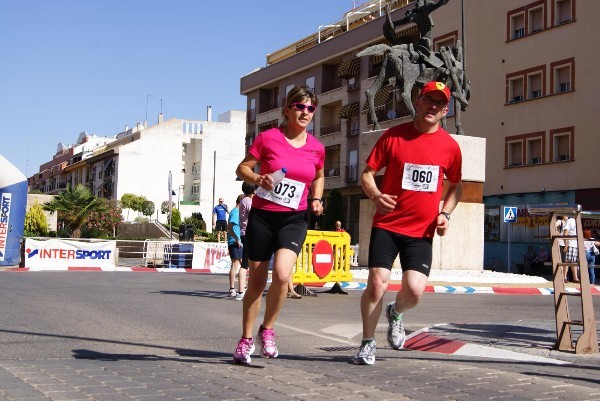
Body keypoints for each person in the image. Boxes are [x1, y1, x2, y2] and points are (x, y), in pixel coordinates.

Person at [354, 81, 462, 365]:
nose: (433, 106)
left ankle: (396, 312)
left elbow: (456, 186)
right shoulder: (393, 136)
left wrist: (446, 213)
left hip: (421, 231)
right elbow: (367, 174)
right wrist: (376, 195)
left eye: (439, 103)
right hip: (387, 225)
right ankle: (367, 342)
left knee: (414, 291)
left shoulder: (450, 147)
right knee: (377, 283)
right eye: (429, 100)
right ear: (417, 101)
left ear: (445, 110)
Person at [233, 86, 325, 364]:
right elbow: (242, 168)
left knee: (283, 275)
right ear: (287, 109)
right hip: (263, 217)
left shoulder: (317, 147)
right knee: (256, 283)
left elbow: (319, 176)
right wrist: (258, 178)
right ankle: (246, 339)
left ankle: (267, 330)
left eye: (310, 108)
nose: (305, 112)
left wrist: (317, 198)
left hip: (294, 218)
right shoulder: (268, 138)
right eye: (300, 106)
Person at [236, 182, 256, 301]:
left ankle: (243, 290)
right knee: (246, 263)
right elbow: (255, 214)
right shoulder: (248, 201)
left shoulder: (243, 200)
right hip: (248, 233)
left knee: (248, 261)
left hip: (245, 232)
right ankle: (241, 291)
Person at [227, 194, 244, 297]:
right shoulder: (235, 212)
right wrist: (237, 239)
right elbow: (229, 227)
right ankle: (232, 288)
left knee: (241, 264)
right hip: (235, 241)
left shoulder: (238, 212)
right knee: (235, 264)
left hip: (239, 241)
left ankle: (240, 287)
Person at [563, 215, 579, 283]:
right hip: (570, 243)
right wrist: (566, 244)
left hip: (575, 244)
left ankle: (575, 277)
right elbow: (565, 233)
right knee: (567, 261)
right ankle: (564, 277)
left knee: (574, 261)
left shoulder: (577, 221)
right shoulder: (570, 221)